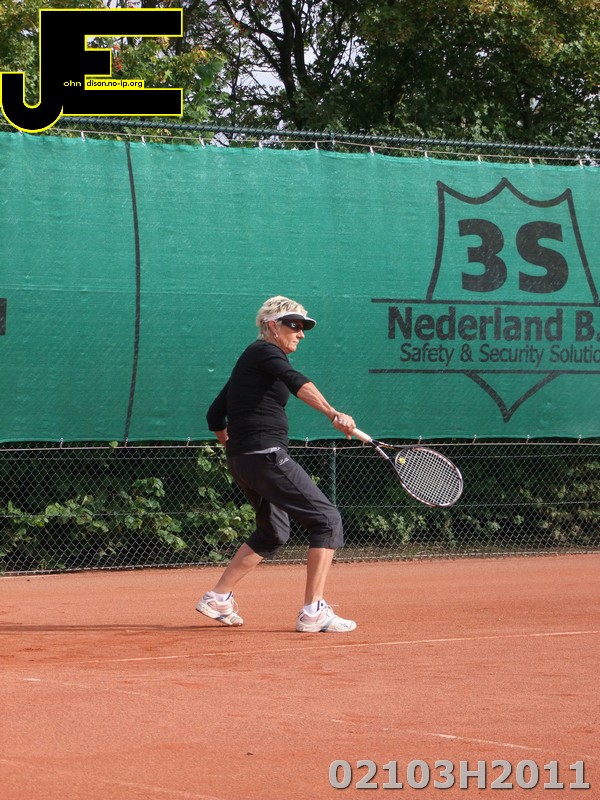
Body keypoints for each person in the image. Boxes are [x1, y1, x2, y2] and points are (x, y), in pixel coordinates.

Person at [197, 295, 357, 633]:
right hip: (265, 455)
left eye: (304, 327)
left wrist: (237, 450)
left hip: (244, 460)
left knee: (273, 533)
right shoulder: (264, 352)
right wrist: (333, 413)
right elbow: (295, 381)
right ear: (272, 326)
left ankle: (218, 597)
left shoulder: (251, 363)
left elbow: (214, 414)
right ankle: (313, 611)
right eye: (294, 325)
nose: (301, 333)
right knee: (326, 520)